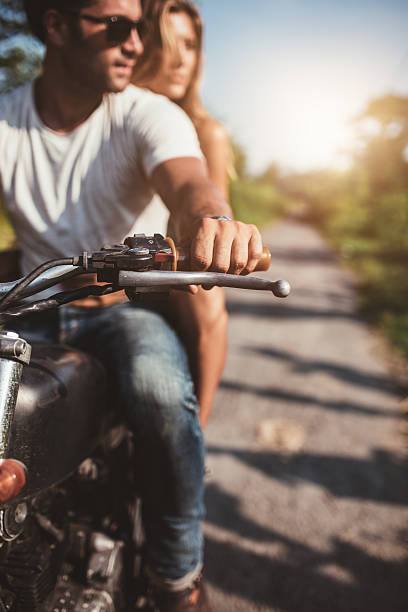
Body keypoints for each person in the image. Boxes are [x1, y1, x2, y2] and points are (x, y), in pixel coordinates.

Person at [0, 1, 263, 610]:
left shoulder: (148, 115)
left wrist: (216, 223)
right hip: (30, 307)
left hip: (122, 311)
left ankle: (176, 577)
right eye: (115, 25)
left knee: (160, 391)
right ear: (57, 25)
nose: (136, 43)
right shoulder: (7, 118)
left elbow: (192, 186)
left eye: (139, 27)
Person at [133, 0, 231, 429]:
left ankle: (197, 430)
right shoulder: (120, 115)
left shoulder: (207, 131)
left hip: (173, 263)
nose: (180, 59)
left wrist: (213, 235)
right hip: (119, 259)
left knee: (207, 299)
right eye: (168, 43)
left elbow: (212, 206)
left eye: (190, 45)